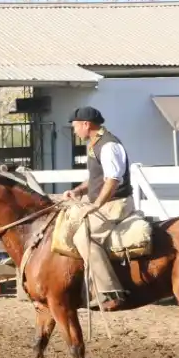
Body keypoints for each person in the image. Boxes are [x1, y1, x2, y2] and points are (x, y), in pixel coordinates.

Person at [61, 106, 133, 311]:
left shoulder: (108, 145)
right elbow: (96, 178)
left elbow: (112, 180)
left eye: (75, 126)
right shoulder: (96, 143)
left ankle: (110, 292)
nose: (74, 131)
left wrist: (95, 205)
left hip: (116, 205)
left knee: (82, 236)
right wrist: (78, 191)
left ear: (86, 124)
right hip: (106, 203)